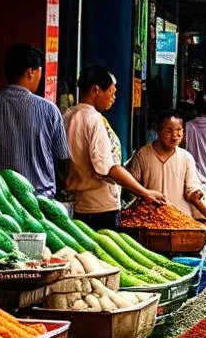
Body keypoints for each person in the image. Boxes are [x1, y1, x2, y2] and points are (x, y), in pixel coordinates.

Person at [63, 65, 165, 230]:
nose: (114, 97)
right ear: (96, 90)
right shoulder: (93, 119)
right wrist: (144, 192)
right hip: (99, 208)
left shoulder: (68, 115)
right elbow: (107, 168)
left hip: (78, 203)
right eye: (111, 92)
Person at [0, 43, 69, 197]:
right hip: (41, 201)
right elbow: (63, 159)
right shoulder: (48, 109)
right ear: (30, 72)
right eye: (40, 72)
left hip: (1, 200)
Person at [128, 110, 206, 225]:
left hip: (180, 220)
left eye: (179, 131)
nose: (175, 137)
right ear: (158, 130)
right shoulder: (142, 154)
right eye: (169, 131)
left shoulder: (186, 157)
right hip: (150, 221)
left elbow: (192, 189)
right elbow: (132, 187)